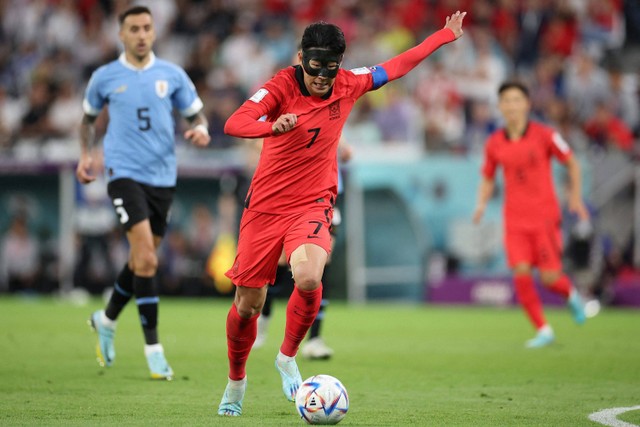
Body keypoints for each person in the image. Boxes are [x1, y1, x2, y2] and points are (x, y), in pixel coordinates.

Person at [217, 11, 466, 416]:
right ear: (301, 58)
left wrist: (442, 35)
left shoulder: (348, 83)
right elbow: (235, 122)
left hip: (313, 201)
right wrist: (271, 126)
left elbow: (397, 65)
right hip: (264, 206)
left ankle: (286, 355)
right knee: (248, 304)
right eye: (315, 68)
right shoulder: (280, 85)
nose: (322, 77)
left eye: (330, 69)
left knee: (310, 275)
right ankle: (236, 380)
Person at [76, 5, 210, 380]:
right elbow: (87, 121)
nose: (140, 34)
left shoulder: (172, 75)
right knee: (148, 260)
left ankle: (106, 318)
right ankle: (154, 349)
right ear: (121, 34)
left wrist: (201, 130)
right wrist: (86, 155)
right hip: (123, 174)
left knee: (140, 260)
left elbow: (197, 114)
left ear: (154, 32)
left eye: (146, 28)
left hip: (163, 178)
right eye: (133, 28)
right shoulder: (105, 76)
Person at [473, 81, 589, 349]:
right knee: (521, 273)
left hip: (544, 217)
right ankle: (544, 329)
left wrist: (574, 197)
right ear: (500, 106)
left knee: (549, 278)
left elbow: (572, 162)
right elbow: (488, 177)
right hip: (514, 220)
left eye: (517, 100)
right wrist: (480, 204)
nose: (512, 106)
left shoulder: (545, 135)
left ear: (527, 104)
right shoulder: (494, 143)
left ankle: (571, 295)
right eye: (506, 101)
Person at [253, 139, 353, 360]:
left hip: (328, 195)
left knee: (321, 266)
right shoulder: (289, 107)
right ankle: (265, 313)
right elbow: (261, 140)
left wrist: (343, 147)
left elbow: (338, 134)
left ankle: (314, 339)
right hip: (294, 194)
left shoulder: (331, 106)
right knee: (279, 266)